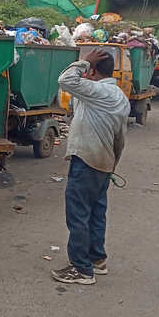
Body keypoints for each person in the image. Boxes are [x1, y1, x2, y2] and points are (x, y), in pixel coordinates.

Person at [51, 49, 130, 285]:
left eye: (88, 70)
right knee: (96, 213)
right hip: (104, 162)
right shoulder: (119, 96)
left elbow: (65, 80)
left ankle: (81, 269)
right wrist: (112, 164)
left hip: (86, 161)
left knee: (78, 215)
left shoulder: (97, 91)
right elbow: (120, 137)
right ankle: (97, 259)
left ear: (93, 72)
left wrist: (84, 62)